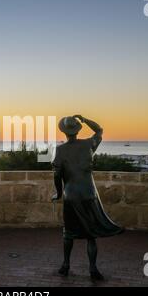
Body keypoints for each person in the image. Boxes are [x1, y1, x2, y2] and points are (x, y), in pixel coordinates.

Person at [51, 115, 124, 281]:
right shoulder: (88, 145)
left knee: (68, 234)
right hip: (89, 193)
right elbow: (99, 130)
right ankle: (93, 268)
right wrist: (84, 119)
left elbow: (57, 175)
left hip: (71, 195)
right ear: (78, 130)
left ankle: (66, 266)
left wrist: (59, 193)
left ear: (63, 131)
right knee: (91, 235)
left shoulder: (61, 150)